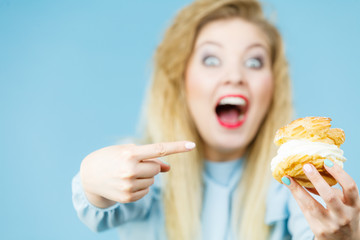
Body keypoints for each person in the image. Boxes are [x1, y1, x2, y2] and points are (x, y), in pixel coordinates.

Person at [72, 0, 360, 239]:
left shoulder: (293, 180)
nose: (235, 76)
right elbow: (102, 203)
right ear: (180, 81)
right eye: (211, 59)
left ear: (273, 87)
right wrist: (90, 181)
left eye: (254, 61)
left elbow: (317, 226)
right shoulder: (144, 169)